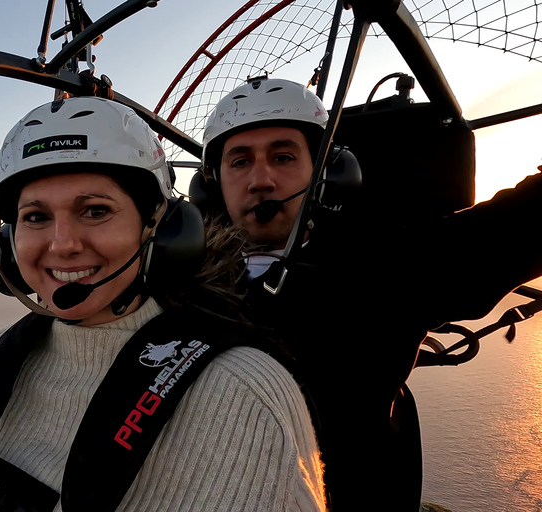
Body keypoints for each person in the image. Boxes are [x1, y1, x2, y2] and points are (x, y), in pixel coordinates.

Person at [0, 96, 327, 512]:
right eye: (35, 217)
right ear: (7, 245)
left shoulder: (245, 393)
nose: (62, 244)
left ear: (161, 229)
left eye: (95, 211)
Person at [197, 76, 542, 511]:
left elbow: (521, 224)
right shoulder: (180, 283)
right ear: (212, 186)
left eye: (283, 156)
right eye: (239, 162)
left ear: (326, 174)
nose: (260, 180)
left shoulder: (386, 267)